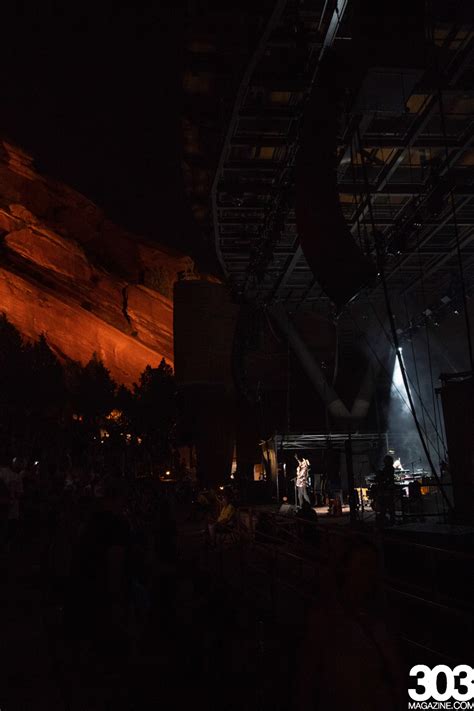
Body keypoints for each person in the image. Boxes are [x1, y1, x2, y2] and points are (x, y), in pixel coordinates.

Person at [297, 537, 404, 710]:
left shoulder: (378, 620)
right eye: (363, 565)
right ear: (345, 569)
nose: (369, 574)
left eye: (373, 566)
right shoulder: (327, 622)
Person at [375, 455, 396, 527]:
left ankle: (388, 520)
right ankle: (388, 520)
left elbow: (384, 477)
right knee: (388, 506)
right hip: (387, 490)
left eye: (385, 461)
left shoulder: (389, 468)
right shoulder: (388, 468)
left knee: (387, 506)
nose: (384, 462)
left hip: (387, 490)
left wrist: (379, 474)